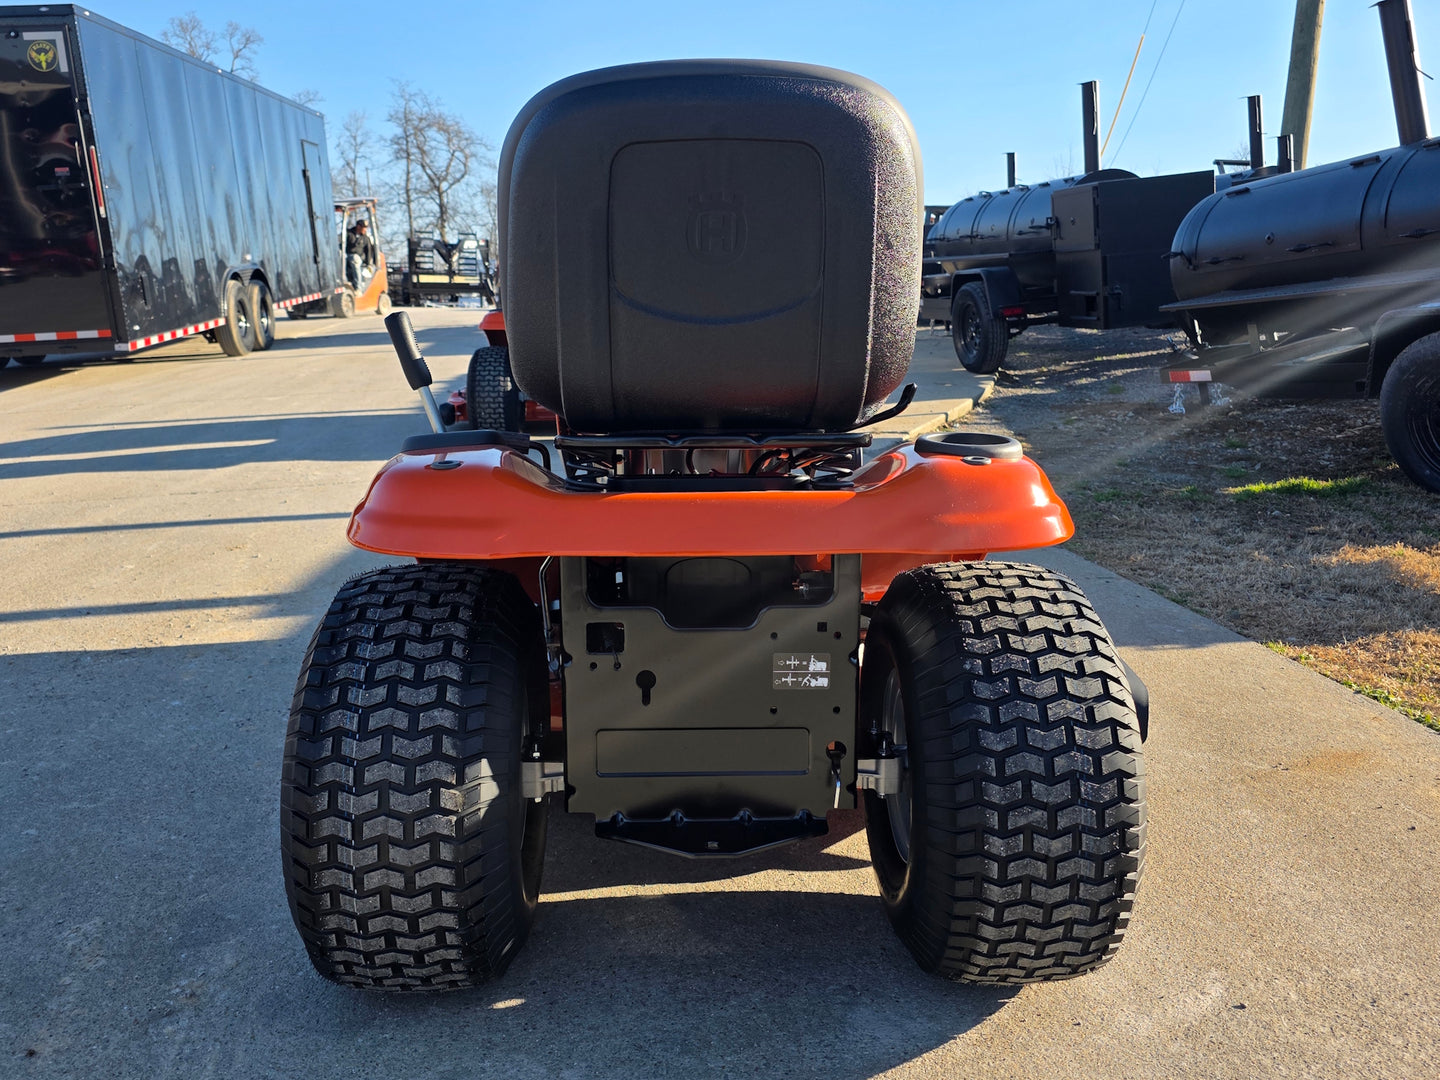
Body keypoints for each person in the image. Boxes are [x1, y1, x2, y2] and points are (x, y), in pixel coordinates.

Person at [344, 218, 376, 290]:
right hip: (346, 256)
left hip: (359, 257)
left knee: (355, 259)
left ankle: (358, 287)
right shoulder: (349, 233)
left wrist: (368, 264)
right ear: (358, 227)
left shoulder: (365, 238)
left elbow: (368, 251)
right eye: (364, 228)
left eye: (366, 228)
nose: (365, 230)